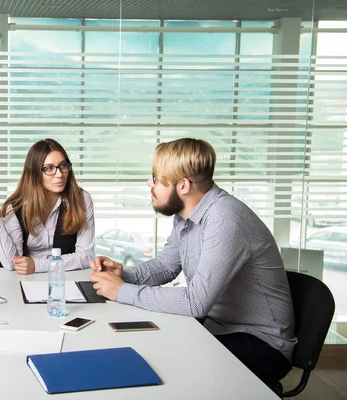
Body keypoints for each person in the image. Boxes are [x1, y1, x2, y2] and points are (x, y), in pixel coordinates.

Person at [89, 138, 296, 390]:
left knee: (166, 368)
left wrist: (122, 291)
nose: (149, 183)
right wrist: (125, 274)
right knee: (142, 348)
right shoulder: (186, 215)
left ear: (183, 185)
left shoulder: (226, 219)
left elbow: (195, 303)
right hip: (216, 327)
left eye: (156, 178)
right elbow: (167, 266)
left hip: (260, 342)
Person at [0, 138, 95, 274]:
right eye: (49, 168)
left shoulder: (81, 199)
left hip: (65, 277)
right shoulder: (17, 206)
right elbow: (11, 263)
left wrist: (38, 265)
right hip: (27, 280)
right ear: (35, 173)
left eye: (63, 166)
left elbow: (86, 256)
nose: (59, 174)